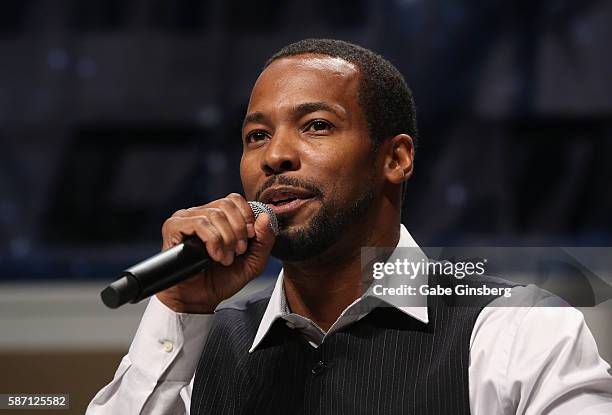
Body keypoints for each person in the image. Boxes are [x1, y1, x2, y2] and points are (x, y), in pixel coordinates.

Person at [87, 39, 612, 414]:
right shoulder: (199, 349)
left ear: (396, 158)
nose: (276, 156)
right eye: (256, 136)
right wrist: (178, 307)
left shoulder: (520, 332)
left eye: (316, 126)